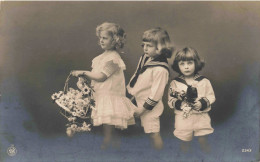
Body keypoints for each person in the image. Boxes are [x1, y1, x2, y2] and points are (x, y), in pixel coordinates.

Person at [71, 22, 135, 149]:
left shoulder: (114, 59)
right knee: (106, 123)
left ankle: (109, 143)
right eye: (100, 38)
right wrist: (85, 79)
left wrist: (84, 72)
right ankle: (110, 143)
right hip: (101, 93)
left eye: (105, 38)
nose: (101, 40)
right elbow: (95, 77)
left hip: (110, 95)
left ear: (115, 40)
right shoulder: (99, 58)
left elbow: (101, 76)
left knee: (109, 121)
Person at [127, 27, 173, 150]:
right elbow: (139, 76)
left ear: (160, 48)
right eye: (144, 45)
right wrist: (132, 93)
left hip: (150, 106)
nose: (145, 48)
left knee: (153, 133)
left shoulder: (161, 69)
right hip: (137, 98)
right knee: (124, 121)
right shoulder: (145, 58)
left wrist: (142, 110)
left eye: (149, 46)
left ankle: (159, 153)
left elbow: (156, 95)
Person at [168, 47, 216, 153]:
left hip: (201, 117)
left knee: (203, 140)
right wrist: (181, 104)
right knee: (184, 142)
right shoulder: (175, 83)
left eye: (190, 63)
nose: (186, 67)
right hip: (183, 118)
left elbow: (211, 96)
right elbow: (170, 100)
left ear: (196, 63)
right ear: (177, 66)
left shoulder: (204, 81)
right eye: (182, 64)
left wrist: (202, 103)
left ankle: (207, 157)